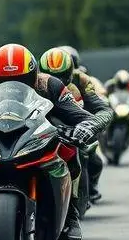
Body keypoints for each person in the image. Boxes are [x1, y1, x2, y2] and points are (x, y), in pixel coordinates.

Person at [0, 43, 99, 240]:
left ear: (33, 75)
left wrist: (85, 127)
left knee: (70, 149)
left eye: (21, 80)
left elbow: (80, 115)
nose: (11, 85)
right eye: (2, 81)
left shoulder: (51, 85)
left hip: (38, 134)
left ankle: (70, 213)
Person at [39, 47, 114, 203]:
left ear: (70, 71)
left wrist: (91, 124)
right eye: (51, 76)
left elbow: (101, 107)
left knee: (95, 162)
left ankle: (90, 187)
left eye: (61, 76)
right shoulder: (36, 82)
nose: (56, 82)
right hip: (44, 128)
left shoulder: (82, 80)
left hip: (76, 125)